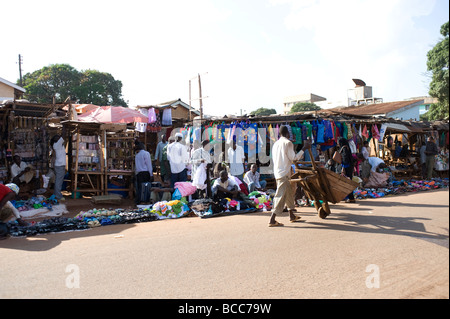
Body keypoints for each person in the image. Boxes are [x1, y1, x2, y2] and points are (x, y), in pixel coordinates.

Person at [269, 125, 311, 227]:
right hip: (284, 173)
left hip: (278, 172)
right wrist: (304, 148)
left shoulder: (276, 144)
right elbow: (294, 158)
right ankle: (272, 219)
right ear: (288, 133)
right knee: (280, 195)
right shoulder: (288, 143)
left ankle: (292, 215)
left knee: (288, 193)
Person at [337, 137, 356, 203]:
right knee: (348, 182)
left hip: (347, 168)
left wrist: (343, 168)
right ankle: (351, 198)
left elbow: (345, 160)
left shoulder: (344, 148)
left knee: (347, 182)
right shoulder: (347, 148)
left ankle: (350, 198)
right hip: (349, 168)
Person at [50, 135, 66, 201]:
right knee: (58, 181)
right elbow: (63, 134)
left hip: (59, 165)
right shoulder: (57, 144)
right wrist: (64, 126)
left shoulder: (57, 145)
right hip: (59, 166)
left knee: (58, 181)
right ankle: (58, 195)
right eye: (58, 137)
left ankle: (56, 194)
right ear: (56, 139)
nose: (59, 138)